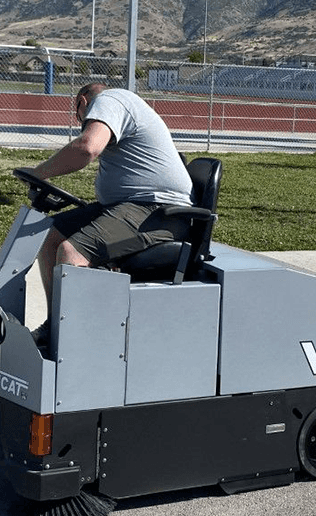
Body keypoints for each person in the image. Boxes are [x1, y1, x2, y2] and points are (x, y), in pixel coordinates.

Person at [29, 82, 193, 339]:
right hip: (131, 206)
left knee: (72, 253)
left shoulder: (109, 101)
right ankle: (56, 325)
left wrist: (38, 173)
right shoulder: (120, 108)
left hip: (159, 212)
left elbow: (87, 148)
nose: (85, 120)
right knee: (50, 236)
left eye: (80, 115)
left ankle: (74, 342)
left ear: (83, 103)